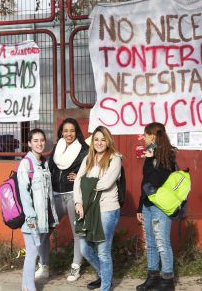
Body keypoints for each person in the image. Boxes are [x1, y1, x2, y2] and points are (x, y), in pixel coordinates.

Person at [73, 126, 122, 291]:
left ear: (108, 141)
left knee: (103, 251)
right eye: (96, 139)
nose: (99, 143)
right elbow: (78, 181)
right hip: (87, 208)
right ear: (92, 142)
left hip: (107, 209)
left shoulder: (114, 159)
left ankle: (105, 287)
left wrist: (88, 183)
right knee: (85, 249)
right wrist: (78, 202)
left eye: (103, 139)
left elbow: (106, 183)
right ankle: (103, 274)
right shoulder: (87, 159)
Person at [136, 122, 178, 291]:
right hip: (148, 205)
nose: (143, 138)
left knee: (162, 242)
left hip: (160, 206)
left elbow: (158, 181)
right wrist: (140, 207)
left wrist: (152, 157)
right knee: (151, 242)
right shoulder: (150, 155)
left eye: (145, 135)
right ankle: (152, 277)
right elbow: (145, 183)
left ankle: (167, 280)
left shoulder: (167, 156)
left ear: (152, 136)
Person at [47, 118, 89, 282]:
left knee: (77, 233)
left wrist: (80, 176)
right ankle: (44, 264)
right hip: (55, 196)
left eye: (72, 130)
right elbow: (50, 168)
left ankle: (76, 266)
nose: (68, 134)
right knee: (45, 229)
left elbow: (92, 170)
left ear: (76, 131)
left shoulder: (84, 149)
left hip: (73, 196)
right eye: (65, 131)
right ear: (61, 132)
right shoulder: (57, 147)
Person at [19, 128, 59, 291]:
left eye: (42, 140)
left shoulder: (44, 163)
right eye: (35, 141)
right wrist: (31, 217)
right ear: (29, 143)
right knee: (32, 253)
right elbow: (24, 194)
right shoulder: (26, 164)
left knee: (34, 251)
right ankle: (29, 287)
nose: (39, 143)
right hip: (32, 219)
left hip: (43, 218)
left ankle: (25, 286)